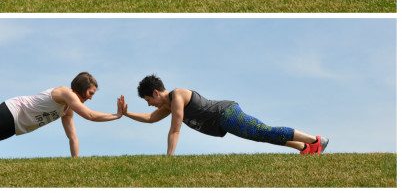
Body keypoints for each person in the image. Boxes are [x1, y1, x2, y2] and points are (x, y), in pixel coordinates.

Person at [118, 75, 328, 156]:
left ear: (155, 93)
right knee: (260, 135)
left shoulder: (178, 96)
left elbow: (175, 129)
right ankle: (304, 148)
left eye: (148, 100)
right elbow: (150, 118)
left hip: (226, 113)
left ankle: (316, 140)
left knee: (262, 131)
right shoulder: (166, 107)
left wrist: (169, 158)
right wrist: (126, 114)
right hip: (222, 122)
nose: (150, 104)